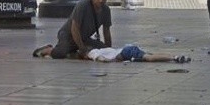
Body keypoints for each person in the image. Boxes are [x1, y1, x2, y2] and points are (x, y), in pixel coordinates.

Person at [33, 0, 113, 59]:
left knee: (101, 49)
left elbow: (106, 31)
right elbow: (75, 28)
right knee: (60, 54)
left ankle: (73, 52)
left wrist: (109, 51)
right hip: (68, 35)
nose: (101, 0)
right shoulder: (83, 6)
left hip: (84, 38)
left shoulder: (106, 10)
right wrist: (82, 49)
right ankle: (47, 49)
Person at [34, 44, 191, 64]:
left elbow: (101, 59)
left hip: (125, 52)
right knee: (150, 54)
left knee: (149, 58)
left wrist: (109, 62)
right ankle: (174, 56)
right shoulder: (96, 49)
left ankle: (174, 58)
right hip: (126, 49)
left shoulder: (93, 53)